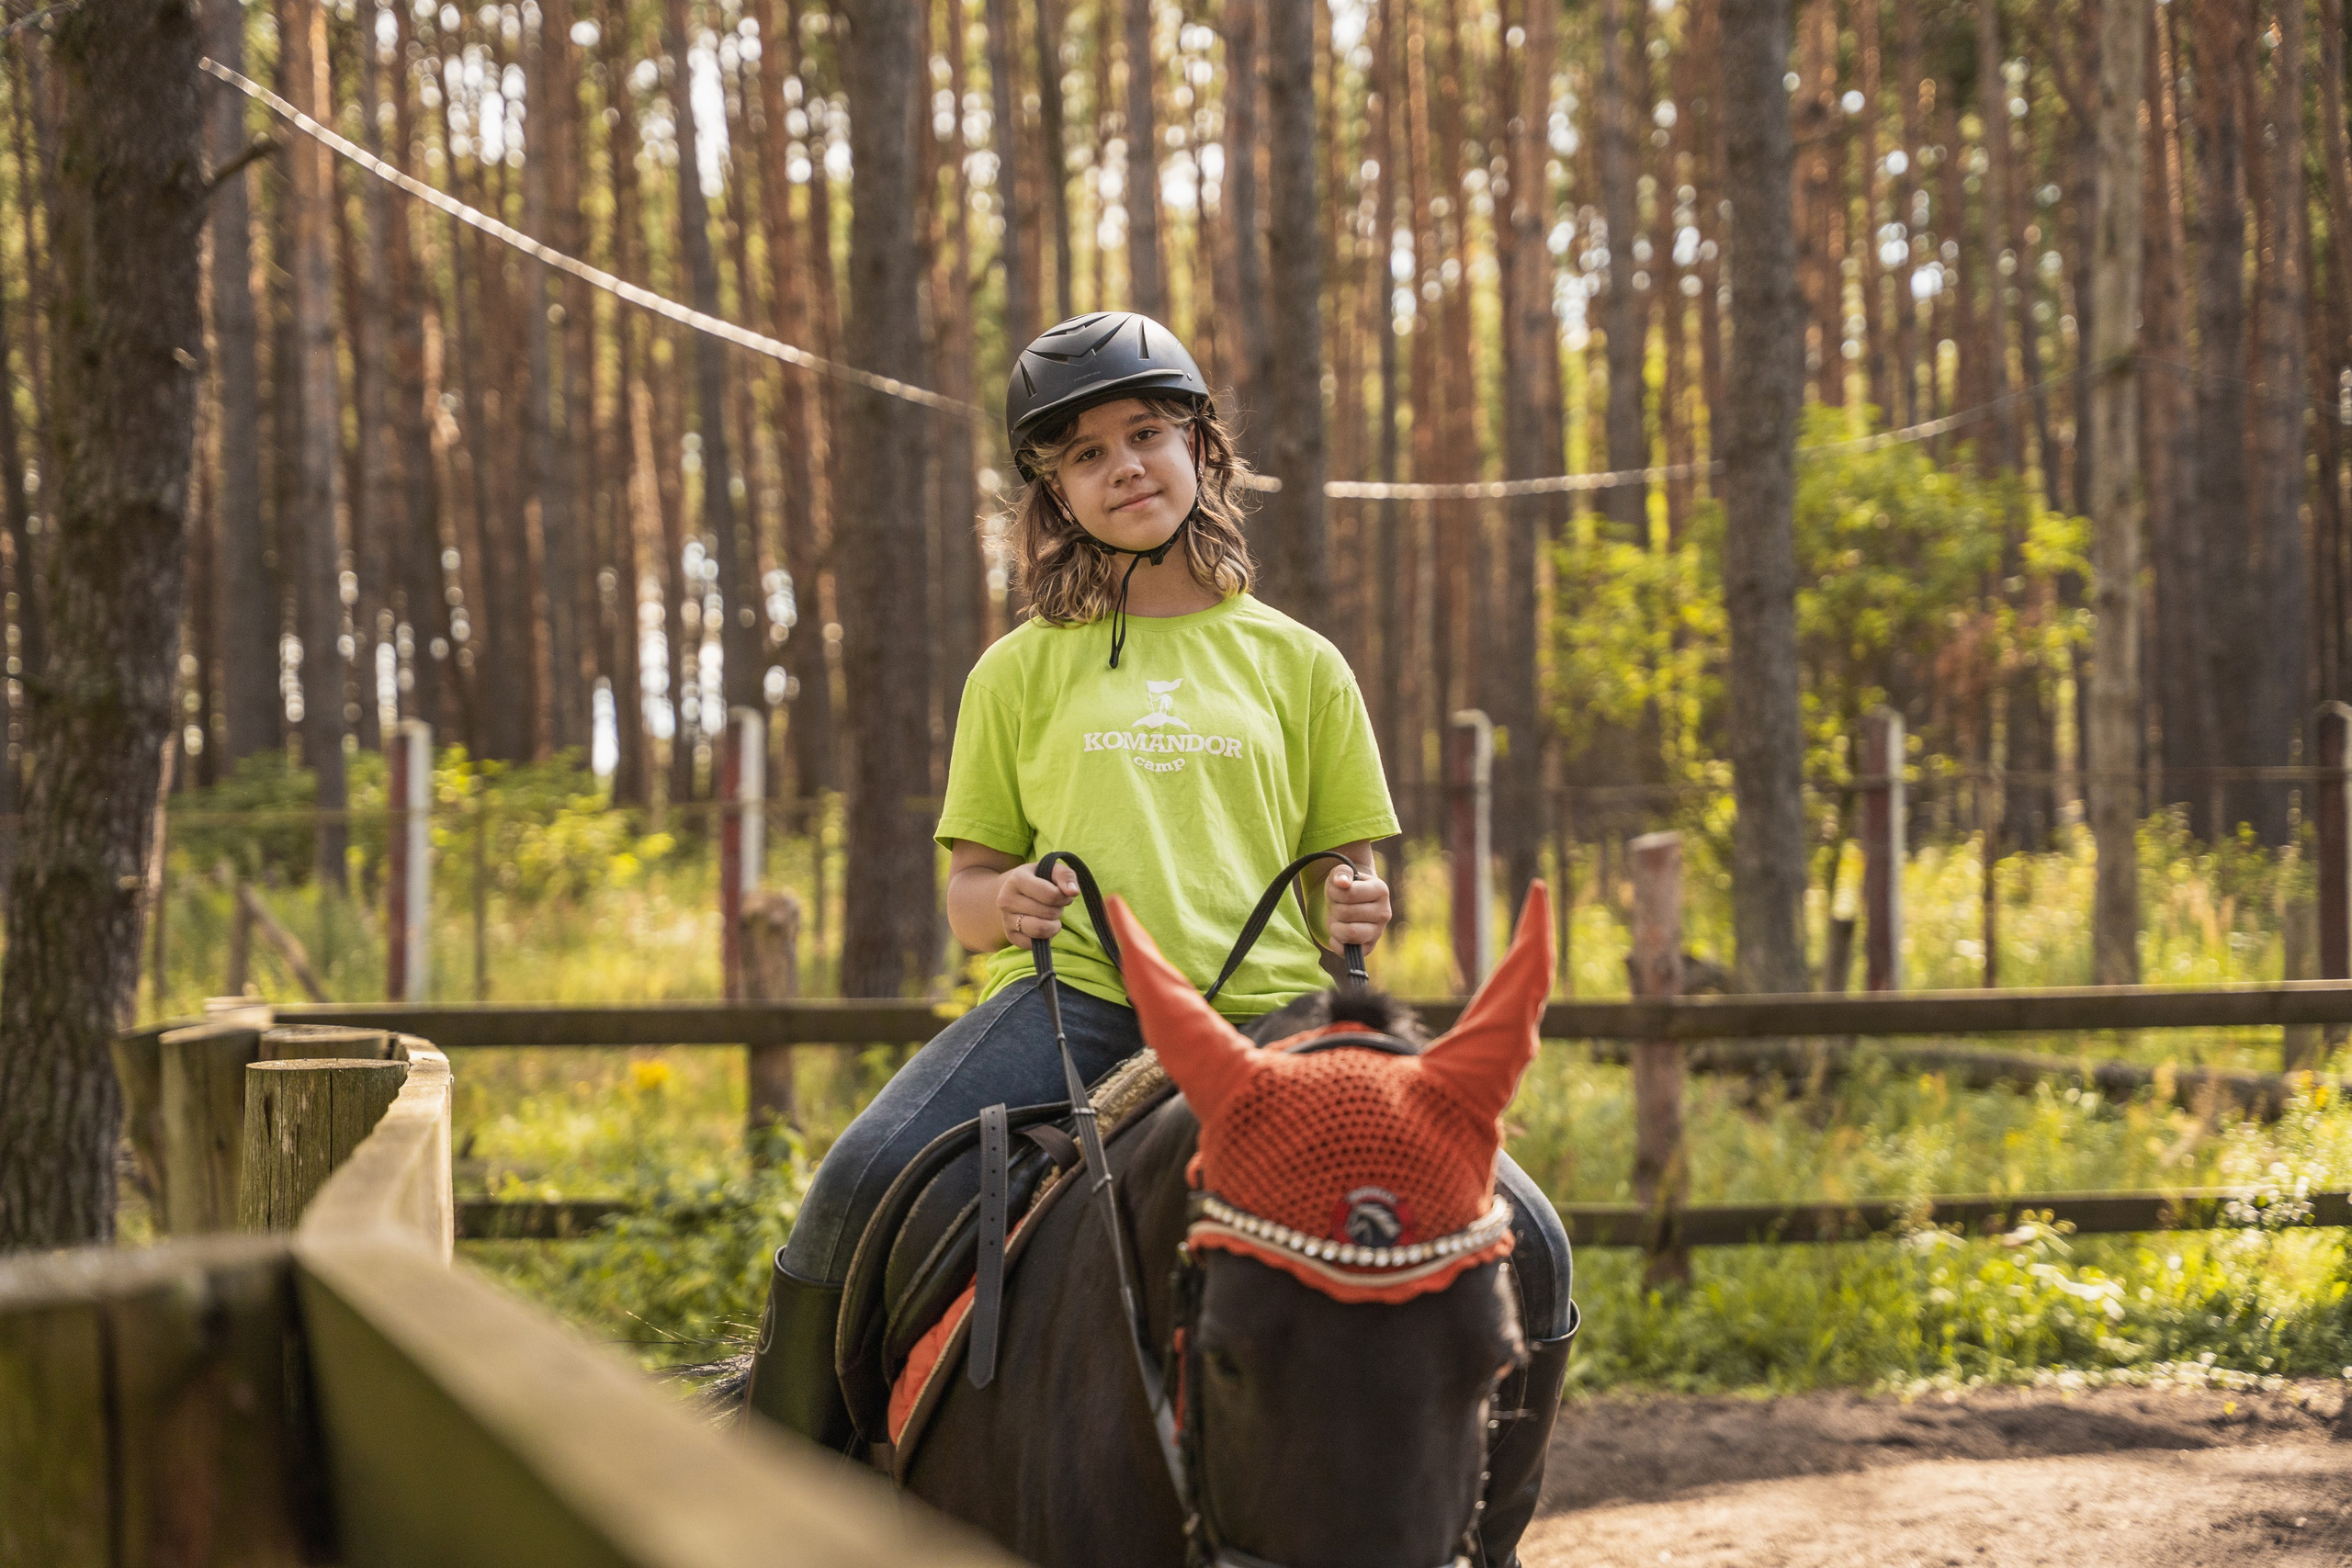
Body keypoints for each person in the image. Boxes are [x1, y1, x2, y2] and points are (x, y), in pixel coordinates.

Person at [745, 316, 1571, 1558]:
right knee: (858, 1178)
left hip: (1278, 1031)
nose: (1126, 467)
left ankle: (1488, 1542)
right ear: (1054, 493)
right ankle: (761, 1501)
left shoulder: (1301, 664)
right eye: (1085, 455)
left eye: (1147, 435)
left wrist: (1355, 903)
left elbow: (1346, 868)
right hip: (1077, 1007)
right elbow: (969, 892)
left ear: (1201, 447)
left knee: (1537, 1239)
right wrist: (1006, 899)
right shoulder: (1017, 673)